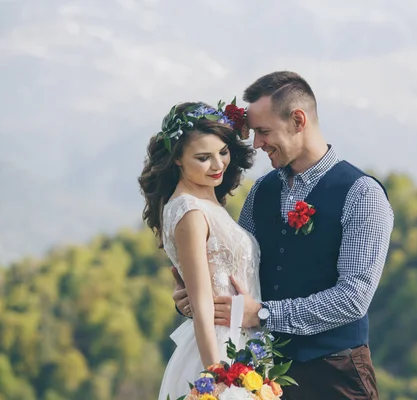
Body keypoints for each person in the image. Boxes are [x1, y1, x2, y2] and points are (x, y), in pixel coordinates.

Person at [173, 71, 394, 399]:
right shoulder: (262, 190)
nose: (257, 143)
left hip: (336, 376)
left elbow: (352, 299)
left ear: (298, 120)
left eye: (263, 131)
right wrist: (199, 298)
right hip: (263, 377)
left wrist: (261, 314)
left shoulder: (362, 194)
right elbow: (239, 272)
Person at [138, 101, 259, 400]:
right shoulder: (190, 211)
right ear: (177, 158)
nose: (218, 165)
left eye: (222, 152)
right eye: (203, 158)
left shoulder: (208, 201)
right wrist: (218, 377)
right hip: (220, 348)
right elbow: (202, 303)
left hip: (246, 341)